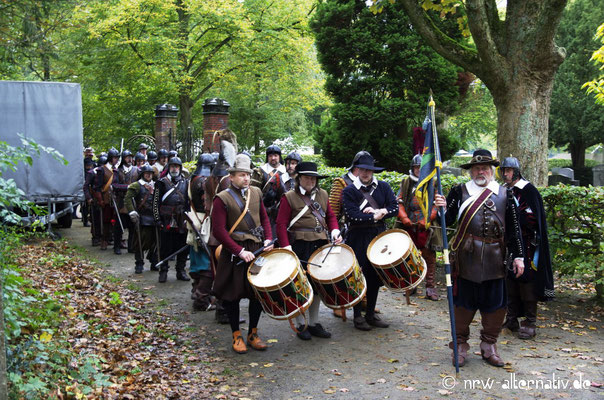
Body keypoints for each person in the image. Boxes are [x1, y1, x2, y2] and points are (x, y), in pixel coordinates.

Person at [434, 149, 525, 368]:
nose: (480, 172)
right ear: (471, 171)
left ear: (492, 171)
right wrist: (440, 209)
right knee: (462, 303)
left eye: (484, 168)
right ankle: (460, 345)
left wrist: (519, 256)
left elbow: (514, 229)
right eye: (476, 168)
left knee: (495, 305)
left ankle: (489, 345)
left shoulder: (505, 194)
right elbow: (446, 221)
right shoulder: (459, 191)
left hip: (496, 258)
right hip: (465, 258)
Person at [211, 154, 273, 354]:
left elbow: (264, 218)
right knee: (232, 295)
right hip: (234, 250)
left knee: (258, 293)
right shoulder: (222, 199)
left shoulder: (256, 192)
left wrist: (267, 239)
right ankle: (236, 334)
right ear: (231, 177)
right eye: (241, 175)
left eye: (247, 175)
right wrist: (239, 251)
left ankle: (253, 333)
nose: (246, 178)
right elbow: (218, 231)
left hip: (256, 249)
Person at [275, 161, 342, 340]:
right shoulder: (289, 197)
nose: (310, 181)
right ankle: (300, 324)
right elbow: (281, 224)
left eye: (313, 178)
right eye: (307, 177)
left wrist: (335, 230)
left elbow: (330, 216)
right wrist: (286, 247)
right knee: (299, 285)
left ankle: (314, 322)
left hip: (320, 244)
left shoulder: (323, 194)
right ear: (299, 178)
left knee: (317, 284)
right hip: (298, 245)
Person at [342, 152, 398, 331]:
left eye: (369, 170)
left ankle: (371, 314)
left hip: (378, 237)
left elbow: (394, 208)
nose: (366, 173)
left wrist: (383, 211)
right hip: (357, 237)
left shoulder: (384, 186)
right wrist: (376, 216)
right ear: (357, 170)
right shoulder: (349, 191)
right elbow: (353, 216)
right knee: (359, 276)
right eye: (363, 169)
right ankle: (357, 316)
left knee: (375, 276)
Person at [501, 157, 554, 339]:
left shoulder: (528, 190)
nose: (506, 174)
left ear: (516, 171)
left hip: (528, 244)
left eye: (509, 170)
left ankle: (530, 321)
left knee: (526, 281)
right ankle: (512, 318)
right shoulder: (504, 190)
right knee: (510, 281)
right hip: (509, 244)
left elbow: (533, 219)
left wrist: (515, 216)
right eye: (504, 170)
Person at [328, 150, 370, 319]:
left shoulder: (370, 183)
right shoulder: (342, 182)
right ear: (356, 167)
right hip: (346, 232)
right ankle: (341, 303)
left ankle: (364, 299)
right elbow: (333, 211)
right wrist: (335, 232)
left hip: (366, 231)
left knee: (365, 267)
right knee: (344, 269)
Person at [394, 154, 440, 301]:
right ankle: (411, 284)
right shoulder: (406, 182)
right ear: (412, 168)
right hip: (409, 224)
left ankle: (430, 286)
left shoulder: (433, 184)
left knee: (429, 256)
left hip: (427, 227)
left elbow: (437, 205)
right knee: (410, 256)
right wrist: (404, 218)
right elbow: (398, 201)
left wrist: (427, 219)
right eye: (416, 167)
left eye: (421, 168)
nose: (418, 170)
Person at [153, 156, 191, 283]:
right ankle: (163, 271)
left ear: (180, 168)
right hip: (166, 219)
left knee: (183, 246)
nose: (174, 168)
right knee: (165, 246)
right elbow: (155, 203)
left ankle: (180, 271)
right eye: (172, 166)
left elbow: (188, 202)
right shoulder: (161, 183)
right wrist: (157, 219)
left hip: (181, 220)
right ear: (168, 168)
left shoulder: (186, 183)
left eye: (177, 166)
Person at [187, 153, 215, 311]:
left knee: (197, 259)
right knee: (206, 262)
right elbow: (207, 206)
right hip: (204, 223)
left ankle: (196, 291)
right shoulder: (204, 182)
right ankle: (201, 299)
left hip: (195, 222)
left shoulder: (193, 178)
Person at [125, 165, 158, 273]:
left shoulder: (157, 185)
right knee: (140, 242)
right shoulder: (136, 185)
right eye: (146, 173)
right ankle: (139, 263)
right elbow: (128, 198)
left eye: (150, 173)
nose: (148, 175)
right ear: (142, 174)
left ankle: (154, 262)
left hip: (155, 217)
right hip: (142, 217)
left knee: (156, 241)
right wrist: (132, 211)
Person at [93, 148, 120, 250]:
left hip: (117, 199)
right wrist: (100, 200)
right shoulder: (102, 170)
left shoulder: (118, 170)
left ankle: (116, 240)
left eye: (117, 158)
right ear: (110, 158)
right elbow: (97, 187)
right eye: (115, 158)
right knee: (106, 221)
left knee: (117, 220)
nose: (116, 160)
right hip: (106, 199)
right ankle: (104, 239)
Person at [113, 149, 138, 255]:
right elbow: (114, 185)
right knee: (119, 227)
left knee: (133, 226)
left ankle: (131, 247)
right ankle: (117, 246)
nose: (130, 159)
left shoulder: (137, 170)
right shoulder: (117, 171)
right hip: (121, 202)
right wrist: (128, 187)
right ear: (123, 159)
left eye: (131, 157)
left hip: (133, 202)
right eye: (127, 157)